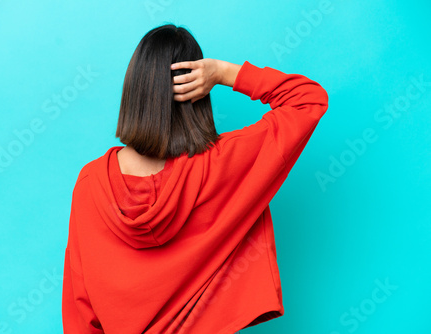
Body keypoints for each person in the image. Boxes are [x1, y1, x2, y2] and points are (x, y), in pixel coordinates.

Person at [62, 23, 329, 333]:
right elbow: (308, 100)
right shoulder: (224, 163)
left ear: (135, 89)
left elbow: (79, 299)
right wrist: (223, 72)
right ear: (196, 93)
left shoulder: (92, 181)